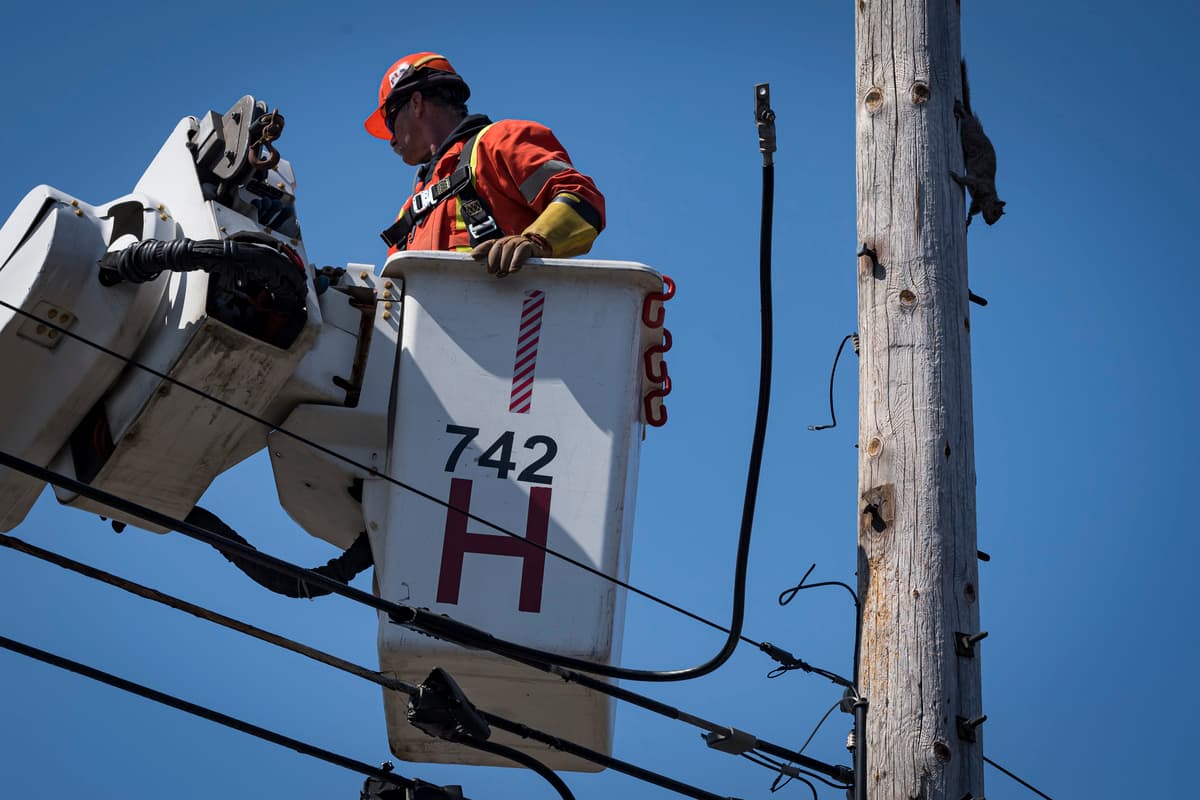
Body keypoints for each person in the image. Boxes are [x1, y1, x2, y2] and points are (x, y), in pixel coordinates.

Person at [365, 52, 605, 277]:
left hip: (511, 315)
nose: (392, 140)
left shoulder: (498, 143)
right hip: (435, 321)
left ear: (416, 102)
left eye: (390, 122)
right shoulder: (409, 213)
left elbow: (582, 200)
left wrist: (535, 241)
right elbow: (396, 295)